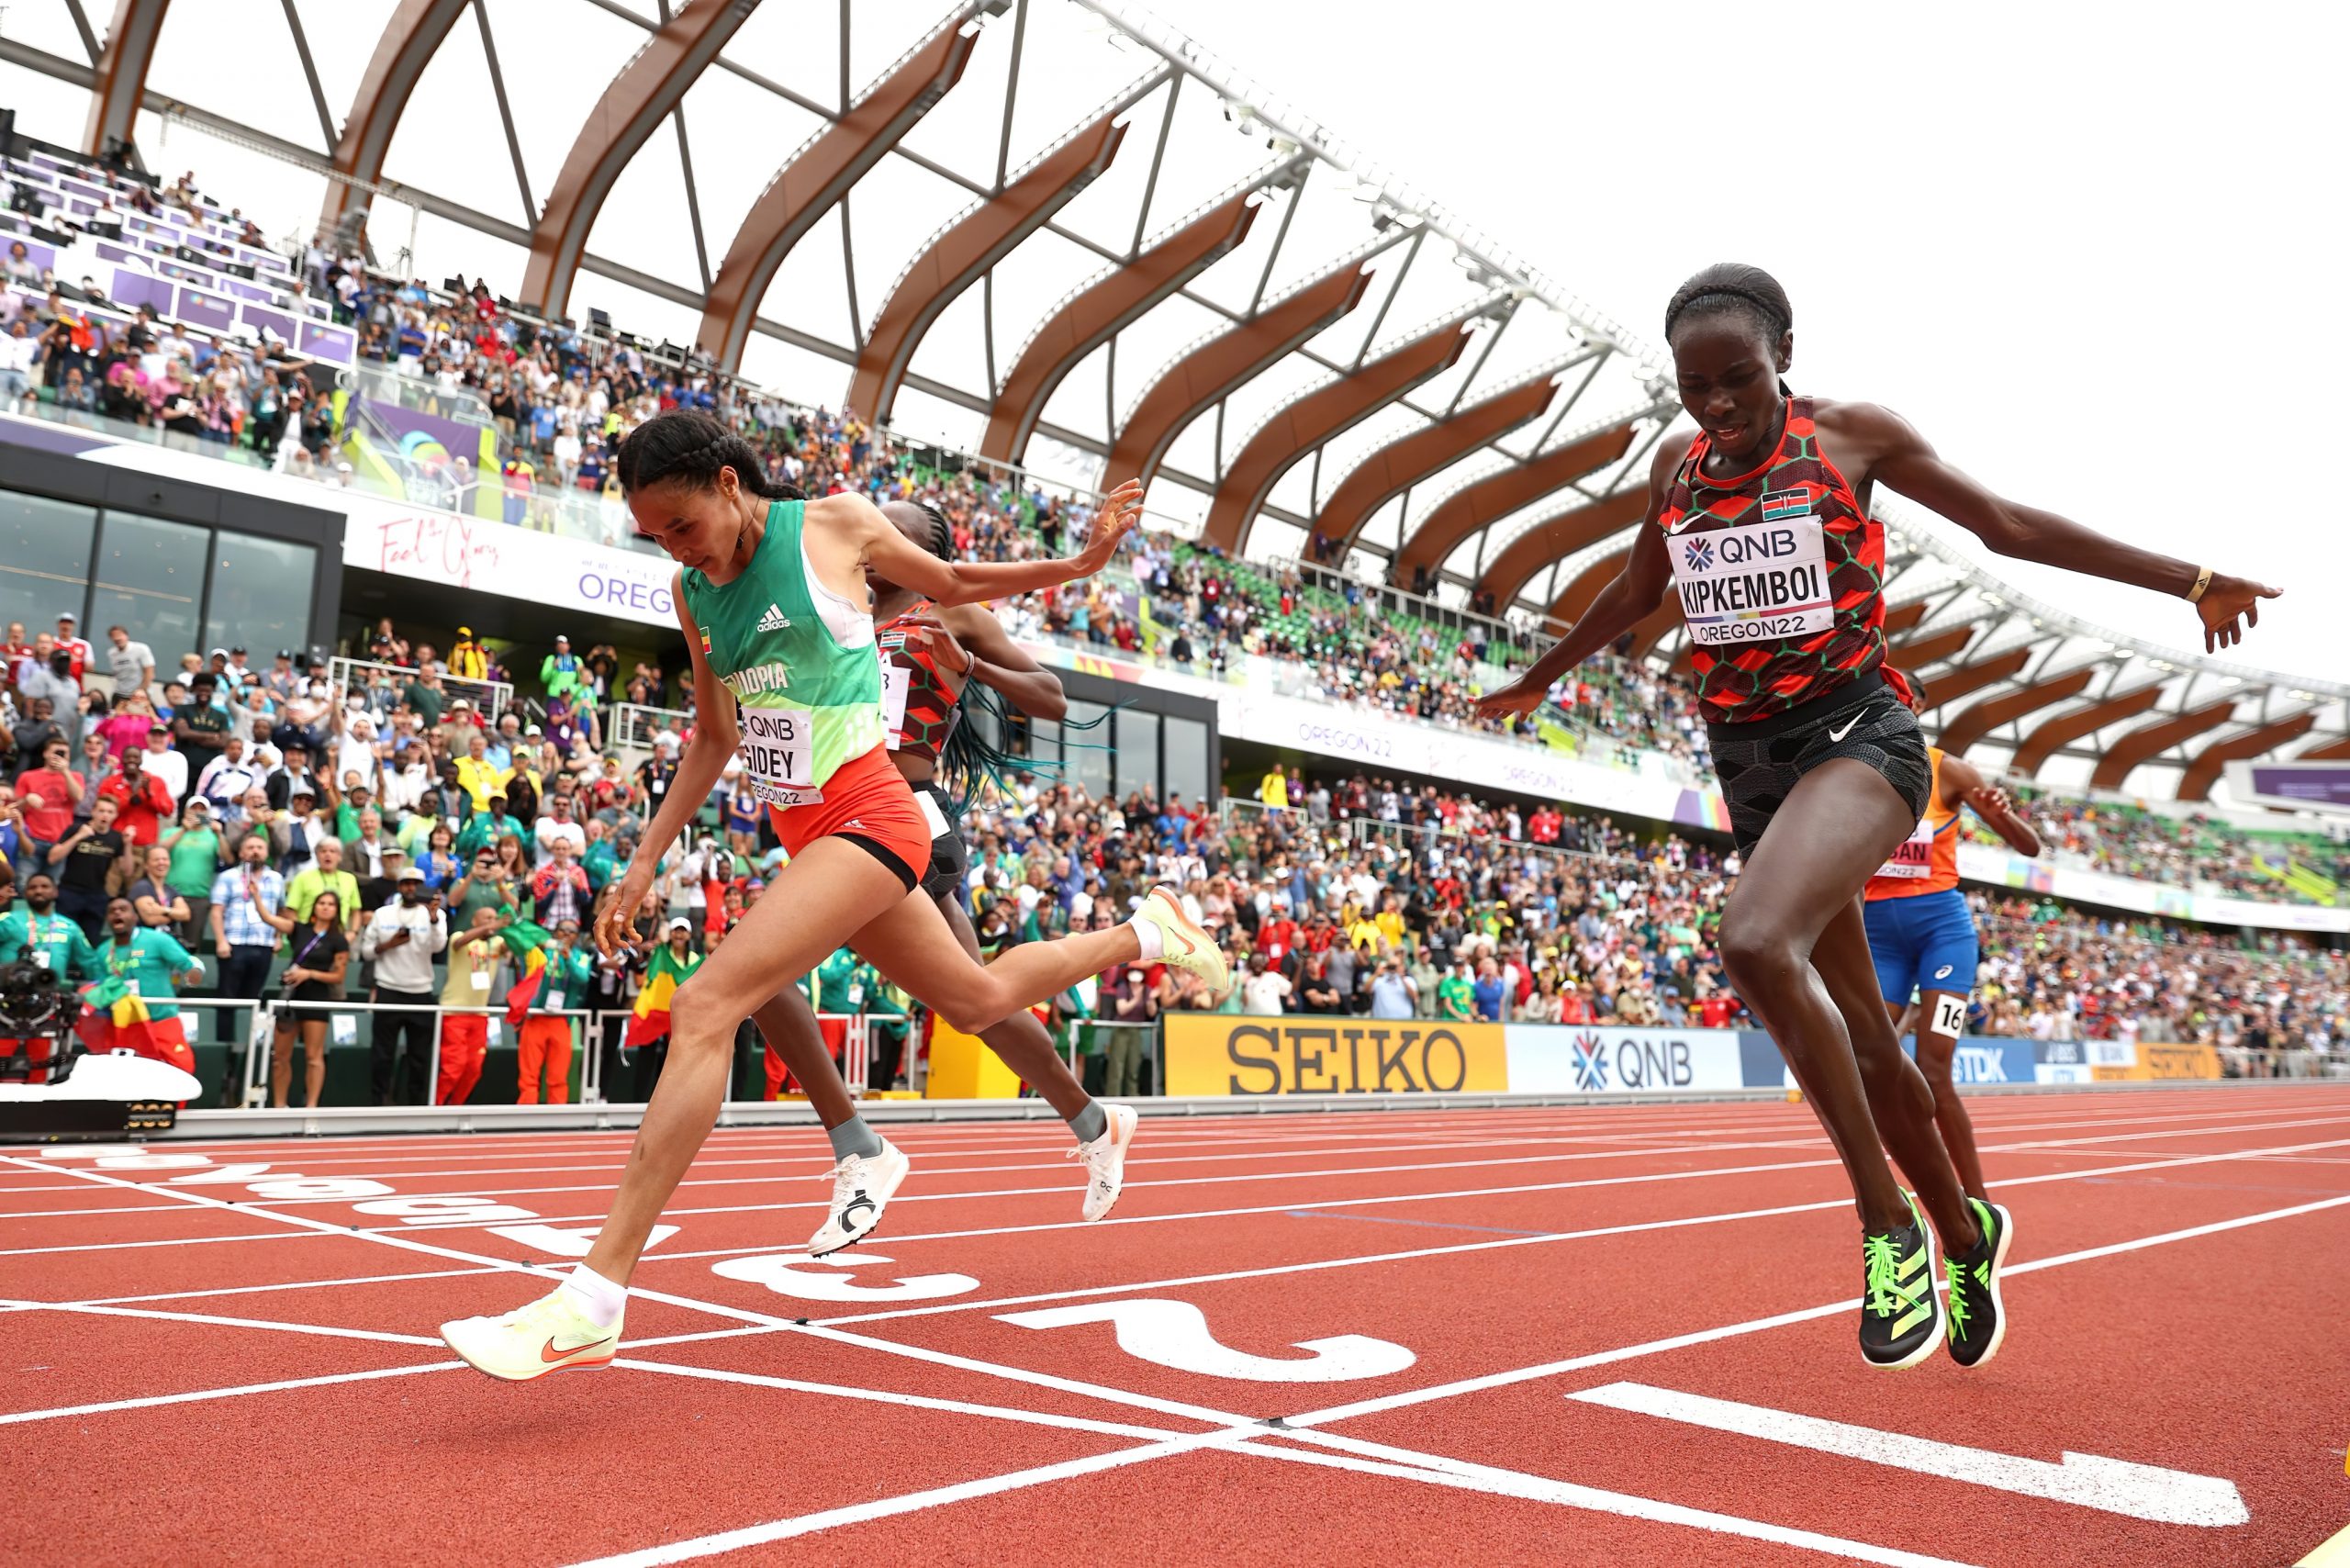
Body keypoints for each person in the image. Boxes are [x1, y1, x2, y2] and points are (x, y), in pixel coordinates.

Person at [1476, 263, 2279, 1372]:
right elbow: (1634, 593)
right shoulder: (1676, 470)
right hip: (1746, 764)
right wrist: (1539, 678)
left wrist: (2184, 577)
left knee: (1754, 942)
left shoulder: (1852, 440)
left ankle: (1885, 1223)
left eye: (1737, 377)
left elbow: (2004, 526)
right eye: (1691, 383)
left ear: (1785, 358)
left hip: (1861, 740)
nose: (1715, 404)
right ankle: (1966, 1227)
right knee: (1862, 1035)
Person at [439, 409, 1221, 1381]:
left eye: (682, 524)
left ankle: (593, 1296)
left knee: (708, 1001)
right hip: (807, 829)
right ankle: (1143, 932)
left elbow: (956, 587)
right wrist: (643, 859)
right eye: (654, 536)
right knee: (975, 1000)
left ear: (730, 482)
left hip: (873, 816)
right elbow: (715, 739)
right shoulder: (696, 591)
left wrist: (1080, 565)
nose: (675, 549)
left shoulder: (834, 526)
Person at [751, 498, 1141, 1218]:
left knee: (756, 974)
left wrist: (972, 669)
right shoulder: (838, 608)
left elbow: (1051, 699)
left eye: (897, 529)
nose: (876, 537)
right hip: (839, 819)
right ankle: (1094, 1121)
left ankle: (857, 1145)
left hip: (910, 817)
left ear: (926, 549)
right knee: (974, 1003)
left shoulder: (953, 613)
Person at [1863, 745, 2042, 1205]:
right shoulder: (1849, 766)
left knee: (1935, 1068)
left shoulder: (1950, 770)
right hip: (1879, 937)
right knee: (1869, 1064)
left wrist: (1999, 814)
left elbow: (2029, 846)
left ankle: (1978, 1202)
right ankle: (1906, 1187)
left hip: (1943, 932)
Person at [361, 866, 447, 1105]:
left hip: (420, 991)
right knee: (382, 1055)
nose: (411, 888)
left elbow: (439, 947)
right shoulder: (383, 913)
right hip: (388, 988)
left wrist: (433, 918)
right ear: (399, 887)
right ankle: (377, 1104)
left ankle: (415, 1106)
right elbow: (366, 952)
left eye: (416, 884)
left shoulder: (436, 914)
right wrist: (387, 945)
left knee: (419, 1056)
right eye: (406, 883)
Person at [93, 896, 205, 1074]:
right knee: (129, 1077)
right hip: (127, 1025)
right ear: (107, 920)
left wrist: (196, 971)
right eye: (112, 911)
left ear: (135, 917)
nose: (117, 913)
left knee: (182, 1069)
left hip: (162, 1020)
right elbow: (99, 987)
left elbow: (189, 962)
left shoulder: (157, 940)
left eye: (123, 909)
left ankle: (173, 1104)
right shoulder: (102, 951)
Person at [270, 889, 349, 1108]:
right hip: (291, 997)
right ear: (314, 906)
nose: (325, 907)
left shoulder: (339, 940)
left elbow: (339, 976)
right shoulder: (299, 929)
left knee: (314, 1057)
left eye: (330, 904)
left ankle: (311, 1108)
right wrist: (256, 896)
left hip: (316, 998)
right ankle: (279, 1106)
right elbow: (268, 918)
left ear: (337, 910)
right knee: (280, 1058)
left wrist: (309, 974)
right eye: (321, 902)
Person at [436, 905, 509, 1106]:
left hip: (480, 1014)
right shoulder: (460, 936)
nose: (491, 922)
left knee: (474, 1068)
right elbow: (460, 942)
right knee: (453, 1066)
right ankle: (436, 1106)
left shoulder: (496, 943)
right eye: (486, 918)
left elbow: (511, 945)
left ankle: (455, 1108)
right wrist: (493, 926)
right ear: (474, 921)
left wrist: (510, 927)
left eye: (494, 918)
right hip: (454, 1011)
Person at [515, 918, 592, 1105]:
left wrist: (568, 959)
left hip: (561, 1020)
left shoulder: (580, 956)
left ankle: (558, 1119)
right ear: (554, 932)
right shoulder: (541, 952)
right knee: (529, 1075)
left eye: (572, 931)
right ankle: (524, 1116)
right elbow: (522, 941)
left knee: (558, 1075)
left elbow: (582, 978)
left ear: (577, 936)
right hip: (536, 1017)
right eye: (562, 929)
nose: (566, 933)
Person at [49, 792, 129, 940]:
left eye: (110, 812)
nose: (105, 815)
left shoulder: (116, 837)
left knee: (91, 940)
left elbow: (127, 870)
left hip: (96, 895)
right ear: (93, 812)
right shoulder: (75, 829)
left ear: (116, 815)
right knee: (62, 938)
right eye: (101, 811)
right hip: (70, 891)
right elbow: (53, 858)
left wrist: (128, 844)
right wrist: (78, 837)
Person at [0, 872, 101, 980]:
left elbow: (90, 963)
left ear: (55, 892)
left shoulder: (70, 927)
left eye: (45, 887)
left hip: (53, 992)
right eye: (32, 887)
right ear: (25, 893)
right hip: (10, 992)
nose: (38, 891)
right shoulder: (8, 919)